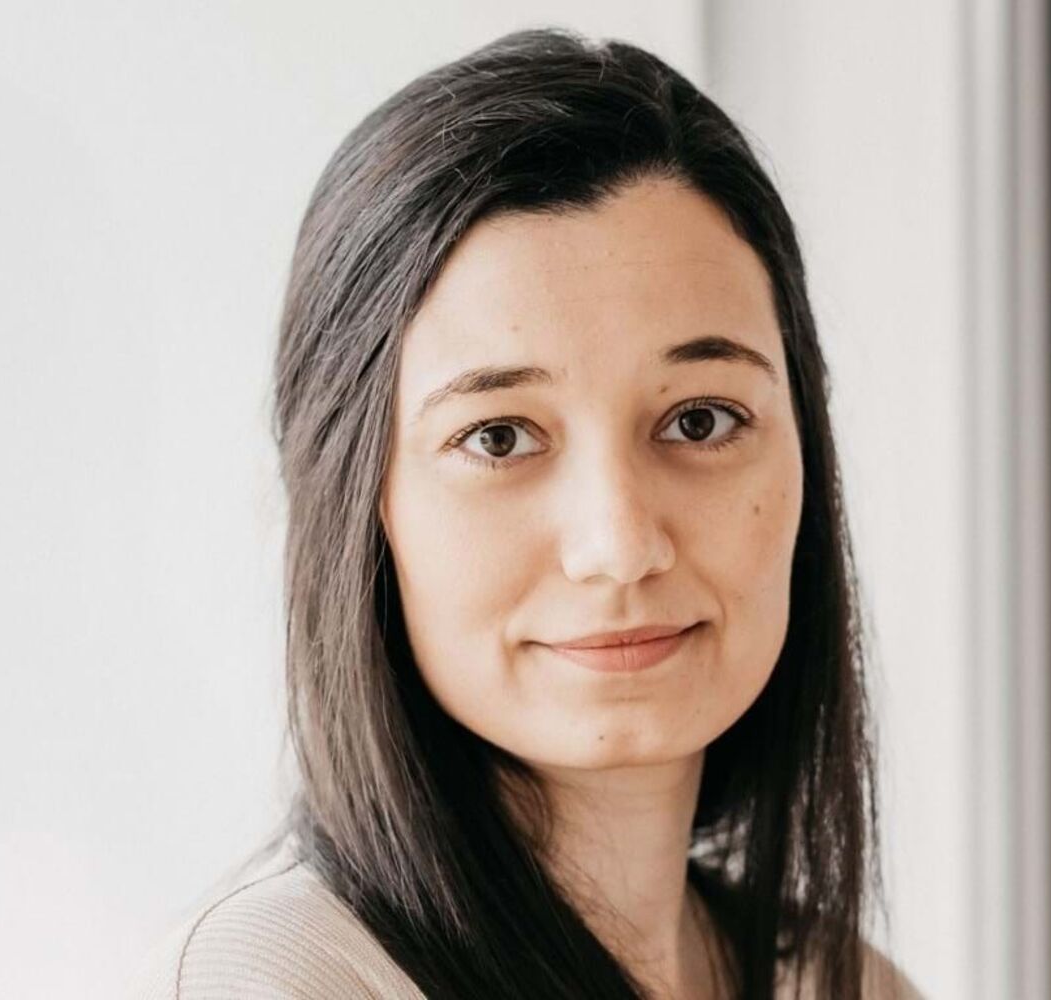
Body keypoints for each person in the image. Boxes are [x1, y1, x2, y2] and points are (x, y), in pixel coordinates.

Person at [130, 26, 923, 1000]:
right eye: (500, 437)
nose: (620, 543)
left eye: (700, 419)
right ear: (355, 499)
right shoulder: (269, 983)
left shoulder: (847, 985)